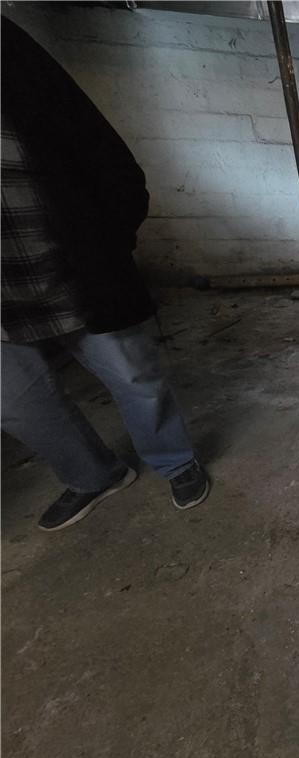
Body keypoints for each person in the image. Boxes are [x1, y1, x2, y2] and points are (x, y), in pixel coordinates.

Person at [1, 18, 209, 531]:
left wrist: (111, 242)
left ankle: (175, 461)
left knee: (135, 377)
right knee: (17, 405)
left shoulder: (8, 51)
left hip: (69, 267)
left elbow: (97, 148)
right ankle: (93, 475)